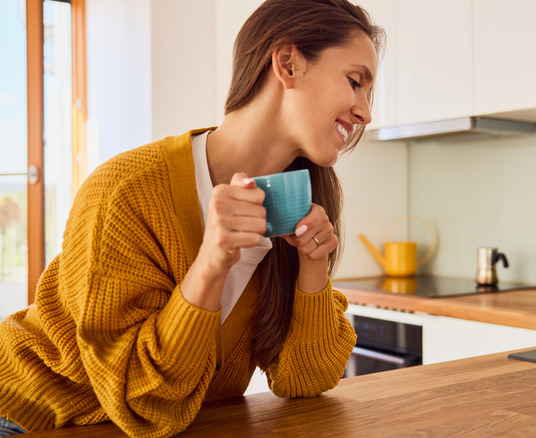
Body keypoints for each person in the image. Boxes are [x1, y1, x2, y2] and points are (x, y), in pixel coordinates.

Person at [0, 0, 383, 436]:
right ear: (288, 64)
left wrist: (313, 268)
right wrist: (210, 264)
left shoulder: (297, 201)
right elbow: (143, 401)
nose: (366, 112)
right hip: (31, 416)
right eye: (355, 82)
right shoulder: (126, 190)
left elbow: (304, 381)